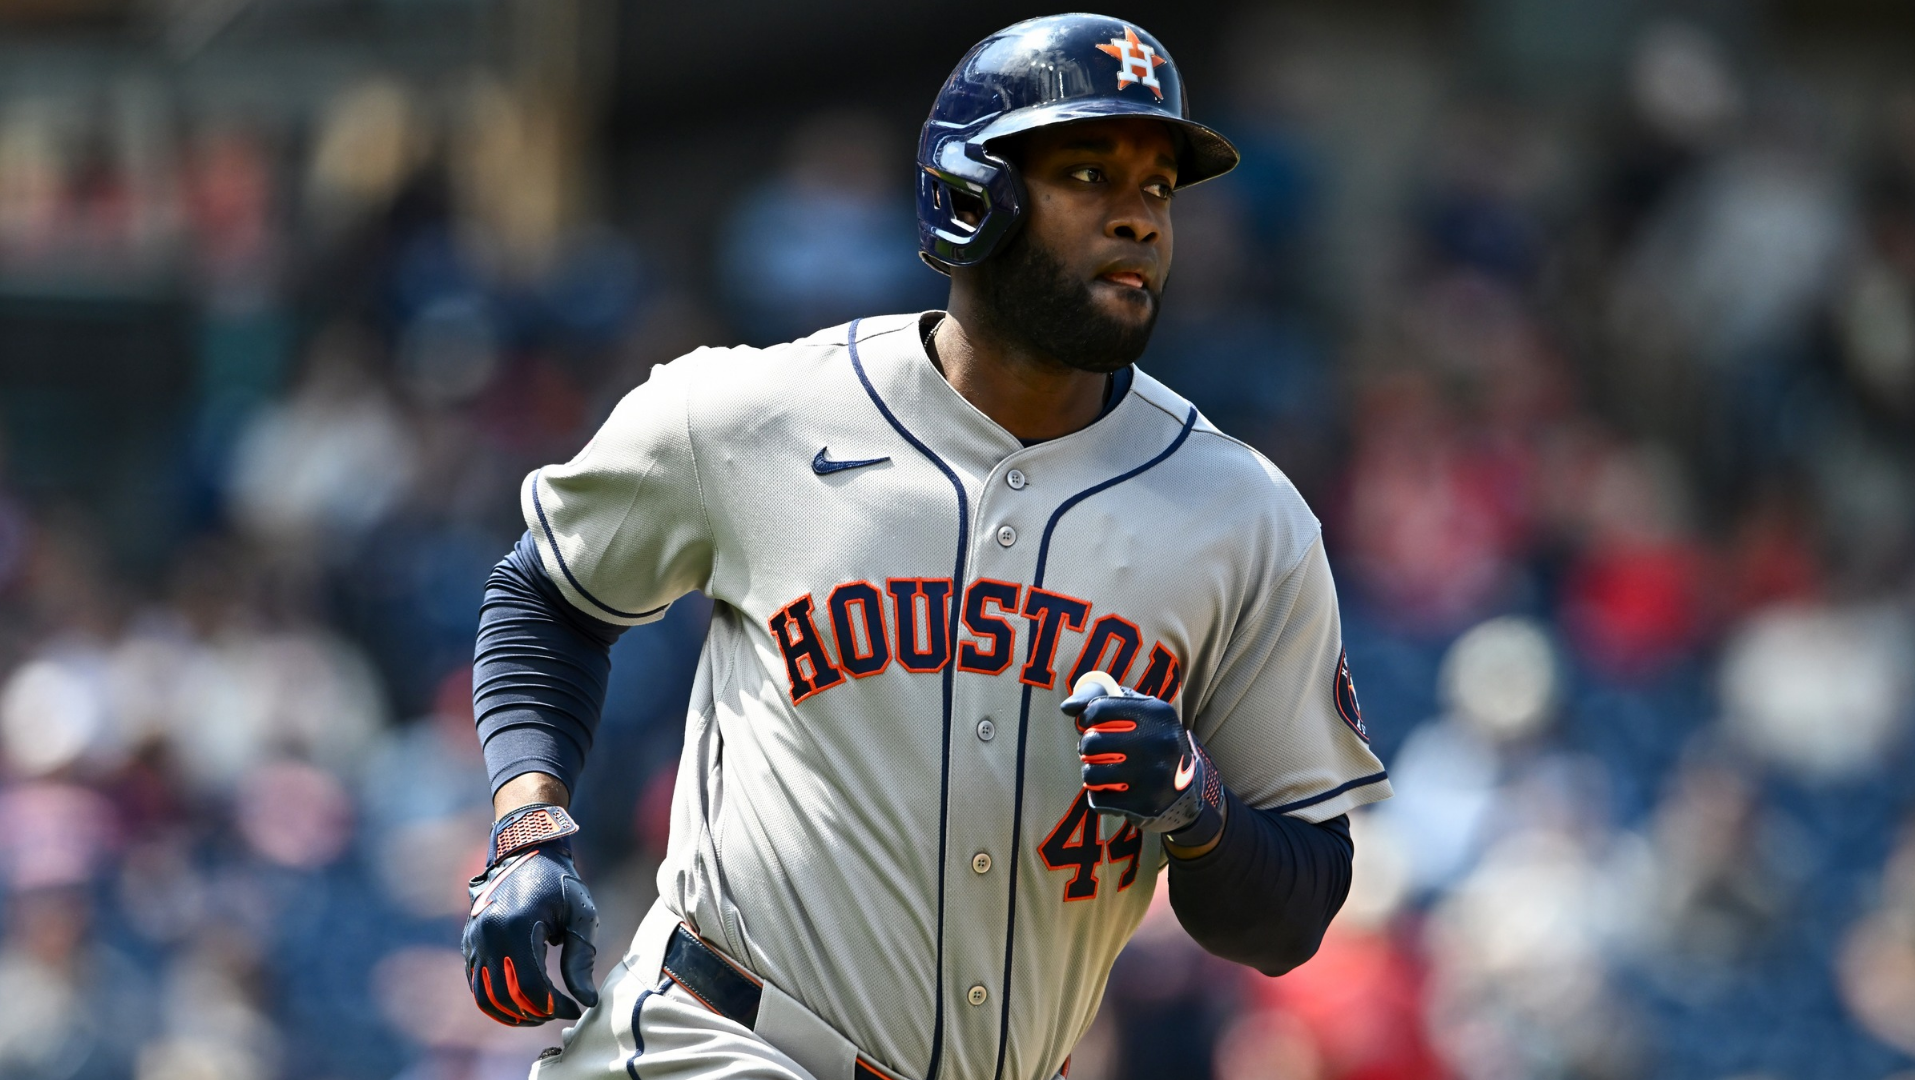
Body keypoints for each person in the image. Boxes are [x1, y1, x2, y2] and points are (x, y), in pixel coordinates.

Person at [461, 14, 1390, 1080]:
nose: (1139, 218)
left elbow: (1295, 911)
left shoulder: (1244, 517)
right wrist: (529, 823)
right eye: (1090, 173)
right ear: (968, 196)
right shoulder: (751, 414)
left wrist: (1197, 805)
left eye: (1159, 189)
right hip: (712, 1040)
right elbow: (548, 597)